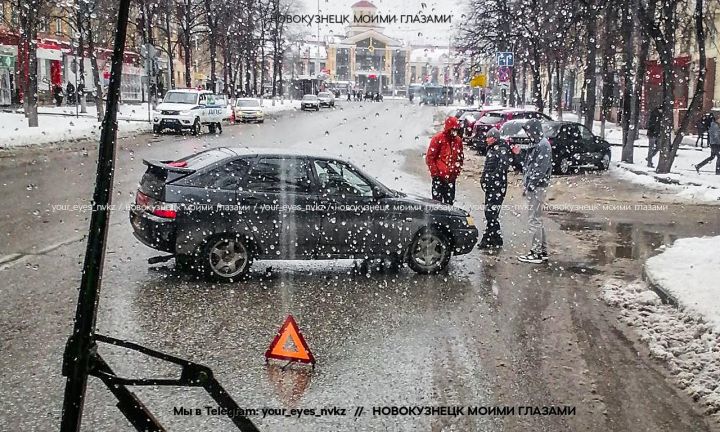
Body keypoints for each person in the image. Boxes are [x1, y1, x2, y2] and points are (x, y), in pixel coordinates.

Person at [518, 119, 552, 264]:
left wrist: (530, 185)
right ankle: (542, 251)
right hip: (536, 186)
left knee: (534, 220)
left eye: (529, 131)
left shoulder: (542, 145)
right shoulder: (538, 144)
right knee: (537, 219)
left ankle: (536, 252)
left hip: (537, 187)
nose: (528, 134)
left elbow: (539, 169)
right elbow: (530, 164)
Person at [479, 127, 510, 249]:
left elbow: (502, 167)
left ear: (494, 138)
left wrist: (491, 178)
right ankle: (496, 238)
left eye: (488, 137)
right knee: (489, 212)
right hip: (491, 186)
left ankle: (488, 238)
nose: (486, 140)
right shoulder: (491, 150)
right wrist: (483, 178)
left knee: (491, 213)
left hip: (498, 186)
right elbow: (487, 166)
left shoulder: (501, 150)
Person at [426, 116, 464, 205]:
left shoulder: (458, 141)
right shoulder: (438, 139)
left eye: (456, 130)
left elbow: (460, 158)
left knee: (449, 204)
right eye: (453, 129)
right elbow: (430, 157)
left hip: (451, 179)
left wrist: (455, 172)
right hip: (439, 178)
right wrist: (436, 174)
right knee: (437, 204)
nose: (454, 132)